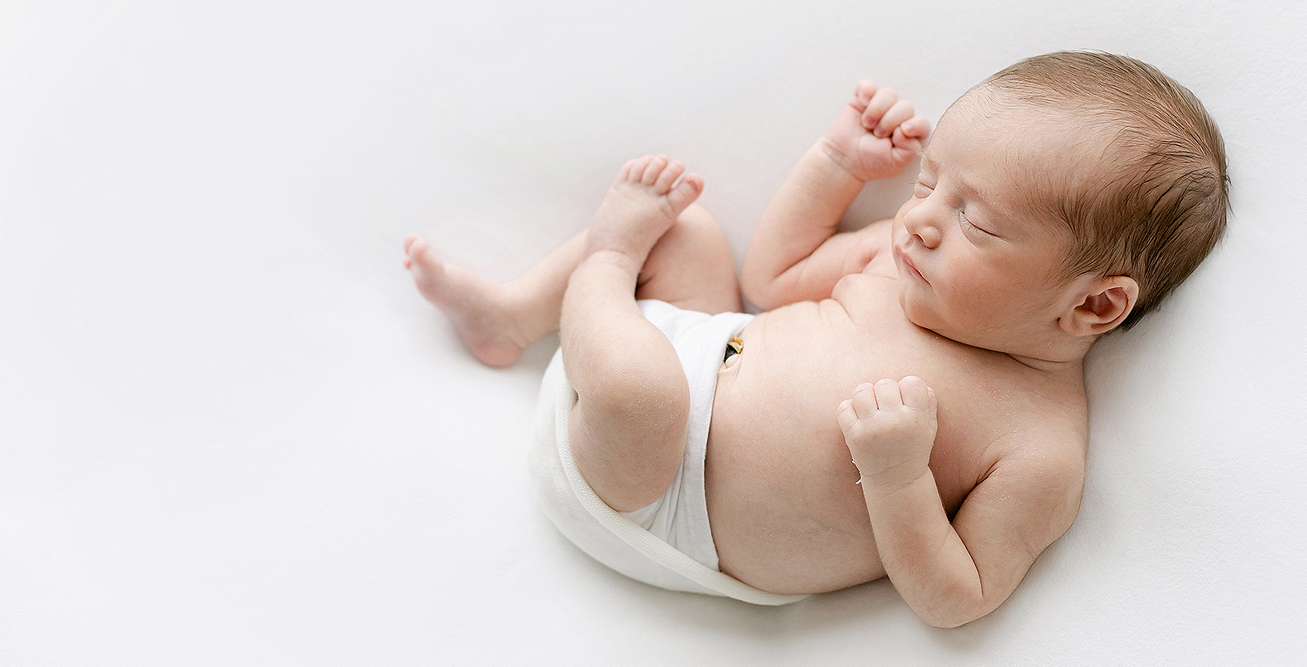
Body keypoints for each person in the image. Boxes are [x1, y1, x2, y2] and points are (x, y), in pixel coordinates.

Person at [404, 51, 1228, 626]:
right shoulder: (894, 257)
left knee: (641, 387)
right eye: (929, 181)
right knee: (687, 233)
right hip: (693, 343)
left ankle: (607, 260)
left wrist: (898, 476)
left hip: (655, 503)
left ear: (1094, 307)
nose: (921, 219)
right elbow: (769, 280)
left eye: (974, 221)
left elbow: (961, 596)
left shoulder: (1039, 446)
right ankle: (513, 317)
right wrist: (837, 164)